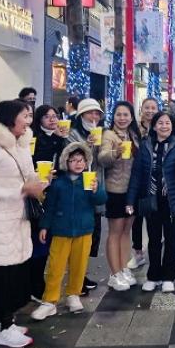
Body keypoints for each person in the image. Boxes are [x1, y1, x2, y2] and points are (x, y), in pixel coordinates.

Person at [0, 100, 47, 348]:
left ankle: (2, 323)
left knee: (13, 272)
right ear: (9, 118)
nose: (28, 121)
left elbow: (27, 175)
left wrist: (40, 181)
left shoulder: (20, 145)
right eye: (24, 116)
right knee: (0, 275)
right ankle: (3, 327)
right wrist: (21, 189)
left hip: (17, 218)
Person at [31, 143, 107, 320]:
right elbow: (49, 206)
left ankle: (73, 294)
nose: (77, 163)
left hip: (84, 230)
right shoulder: (58, 183)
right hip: (61, 230)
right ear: (65, 162)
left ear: (86, 162)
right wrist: (44, 226)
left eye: (81, 160)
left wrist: (96, 190)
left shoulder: (90, 180)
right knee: (55, 266)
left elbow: (101, 200)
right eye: (73, 160)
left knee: (79, 265)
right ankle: (49, 301)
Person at [126, 113, 175, 293]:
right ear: (154, 126)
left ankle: (169, 276)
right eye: (160, 123)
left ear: (172, 125)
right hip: (151, 198)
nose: (164, 126)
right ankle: (153, 276)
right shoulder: (146, 145)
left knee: (171, 239)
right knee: (154, 239)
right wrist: (130, 200)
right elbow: (137, 174)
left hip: (172, 199)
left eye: (167, 123)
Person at [98, 101, 142, 292]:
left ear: (131, 117)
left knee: (126, 231)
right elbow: (102, 158)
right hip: (115, 190)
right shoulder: (108, 135)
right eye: (118, 114)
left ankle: (124, 268)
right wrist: (115, 152)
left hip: (132, 191)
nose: (122, 118)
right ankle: (114, 274)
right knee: (115, 232)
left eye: (126, 115)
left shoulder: (134, 134)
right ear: (113, 116)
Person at [29, 105, 68, 300]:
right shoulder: (34, 139)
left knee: (48, 240)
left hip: (54, 194)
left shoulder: (59, 138)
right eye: (47, 117)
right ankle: (34, 284)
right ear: (39, 120)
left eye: (55, 116)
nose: (52, 120)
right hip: (37, 195)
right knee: (39, 240)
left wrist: (62, 139)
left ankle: (40, 282)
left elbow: (65, 162)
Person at [67, 98, 105, 293]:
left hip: (94, 187)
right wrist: (87, 145)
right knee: (77, 234)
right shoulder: (72, 134)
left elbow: (102, 161)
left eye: (97, 113)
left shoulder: (101, 132)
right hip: (77, 189)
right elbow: (73, 159)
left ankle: (81, 274)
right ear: (81, 114)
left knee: (91, 234)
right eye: (90, 113)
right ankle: (76, 280)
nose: (94, 116)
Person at [128, 98, 159, 270]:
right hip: (136, 176)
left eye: (153, 107)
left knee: (154, 216)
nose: (150, 111)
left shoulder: (161, 126)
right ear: (141, 109)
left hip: (154, 179)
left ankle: (155, 252)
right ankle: (138, 252)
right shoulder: (133, 129)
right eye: (147, 107)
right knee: (137, 218)